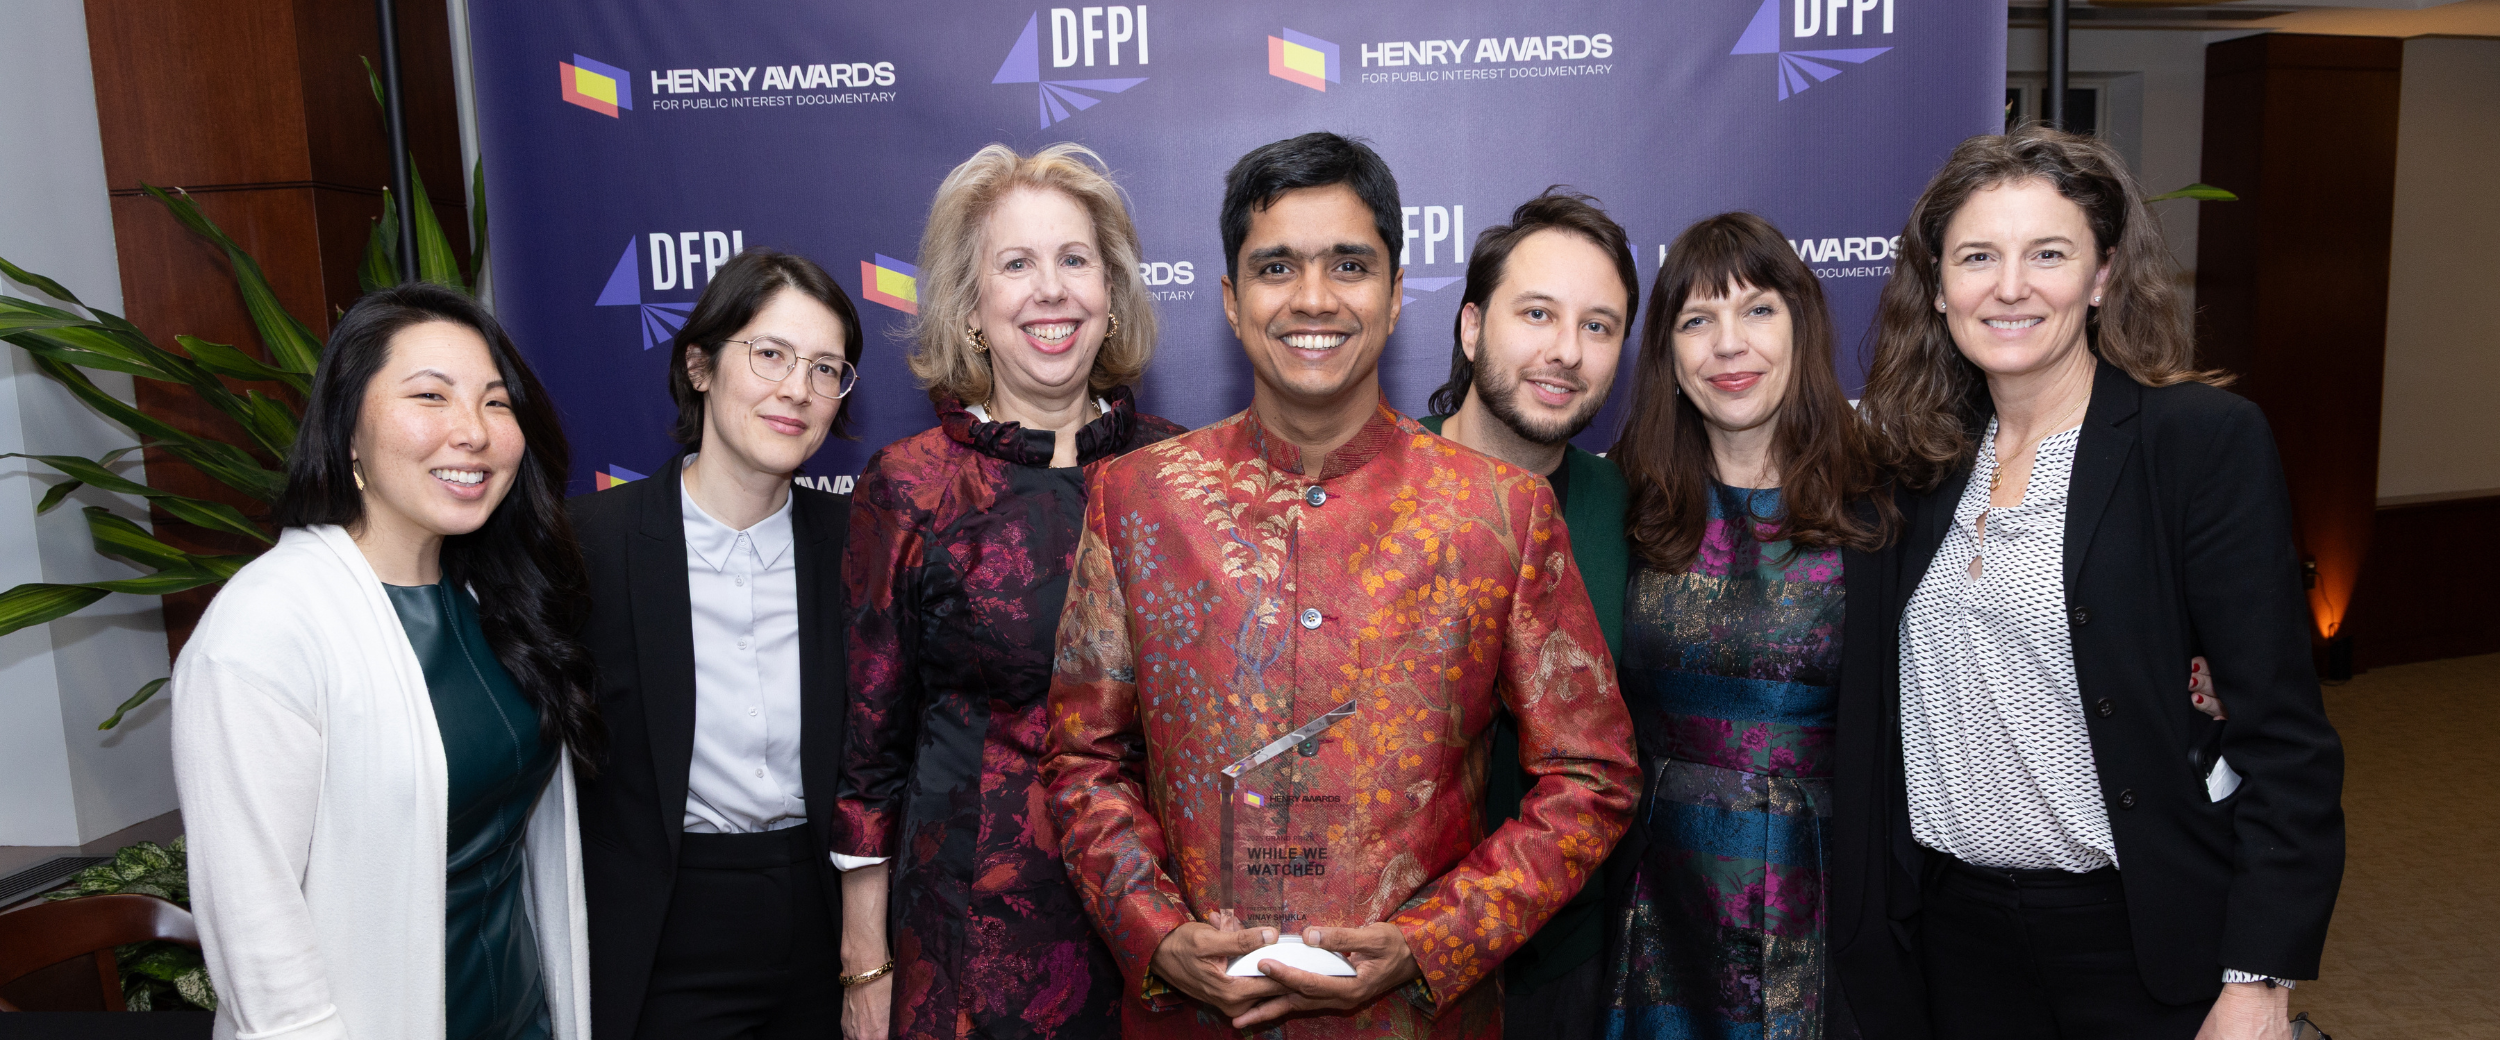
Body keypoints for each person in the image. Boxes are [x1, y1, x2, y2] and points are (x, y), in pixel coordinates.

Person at [1041, 131, 1639, 1039]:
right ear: (1233, 303)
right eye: (1277, 266)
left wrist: (1431, 943)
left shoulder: (1501, 514)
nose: (1314, 298)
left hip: (1415, 1018)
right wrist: (1156, 936)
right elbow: (1084, 757)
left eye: (1349, 265)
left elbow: (1591, 775)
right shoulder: (1138, 499)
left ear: (1397, 298)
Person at [1832, 126, 2345, 1040]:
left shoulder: (2195, 444)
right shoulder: (1915, 465)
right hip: (1955, 944)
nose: (2011, 286)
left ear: (2103, 276)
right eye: (1979, 256)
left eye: (2049, 254)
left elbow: (2286, 739)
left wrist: (2259, 974)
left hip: (2136, 942)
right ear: (1940, 286)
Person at [172, 283, 599, 1040]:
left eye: (496, 403)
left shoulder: (490, 596)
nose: (472, 431)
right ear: (348, 431)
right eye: (430, 396)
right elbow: (254, 922)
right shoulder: (267, 628)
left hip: (521, 1017)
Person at [834, 142, 1186, 1040]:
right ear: (971, 308)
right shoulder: (912, 484)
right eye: (1017, 264)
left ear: (1112, 296)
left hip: (1163, 930)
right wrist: (864, 964)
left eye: (1075, 260)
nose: (1051, 290)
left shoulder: (1181, 470)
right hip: (967, 939)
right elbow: (870, 751)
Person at [1600, 212, 1898, 1040]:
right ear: (1667, 353)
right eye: (1697, 320)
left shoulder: (1885, 506)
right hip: (1655, 896)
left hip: (1830, 897)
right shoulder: (1623, 504)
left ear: (1802, 324)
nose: (1729, 345)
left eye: (1758, 309)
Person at [569, 249, 863, 1040]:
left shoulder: (857, 548)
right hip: (666, 923)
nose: (797, 389)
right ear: (699, 364)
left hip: (822, 914)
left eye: (826, 368)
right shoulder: (590, 546)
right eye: (770, 354)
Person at [1418, 188, 1641, 1039]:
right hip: (1392, 964)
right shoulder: (1374, 495)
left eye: (1598, 325)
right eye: (1538, 313)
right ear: (1472, 328)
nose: (1565, 352)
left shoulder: (1632, 511)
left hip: (1570, 970)